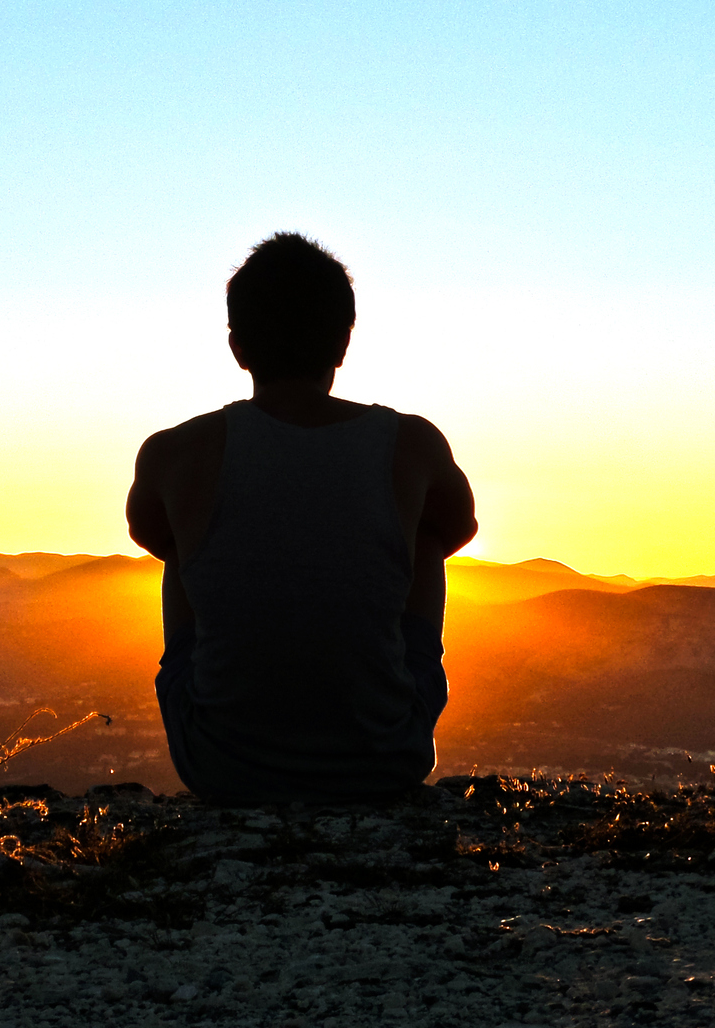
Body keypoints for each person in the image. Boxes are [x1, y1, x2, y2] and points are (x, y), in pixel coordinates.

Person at [127, 232, 477, 802]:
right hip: (386, 761)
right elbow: (457, 527)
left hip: (221, 766)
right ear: (342, 343)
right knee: (424, 538)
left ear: (238, 347)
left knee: (182, 545)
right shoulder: (412, 444)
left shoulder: (174, 451)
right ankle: (373, 712)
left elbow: (149, 532)